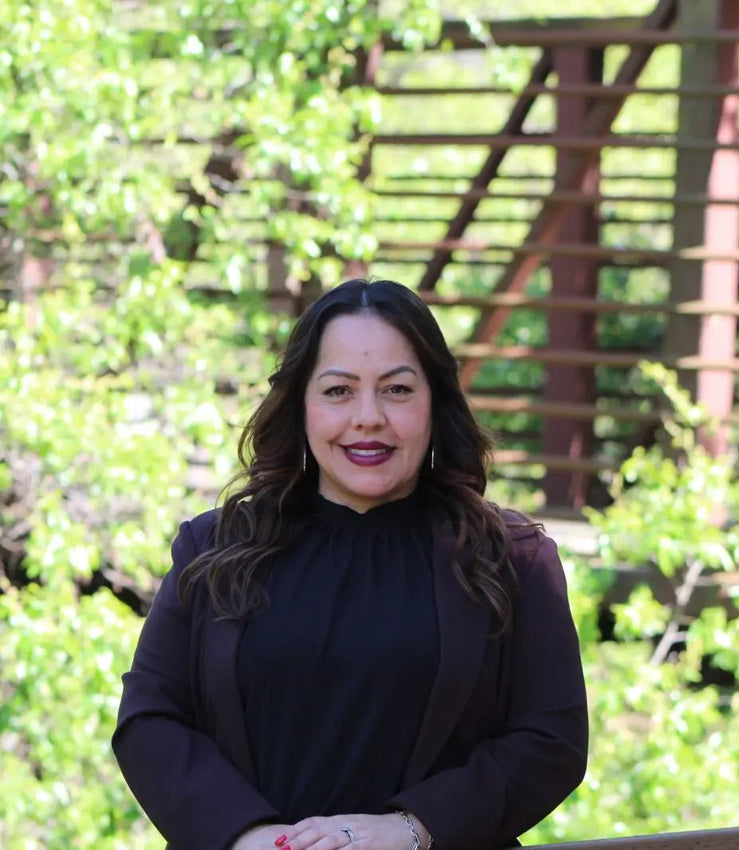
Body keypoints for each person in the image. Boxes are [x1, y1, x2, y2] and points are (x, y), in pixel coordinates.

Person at [112, 278, 588, 850]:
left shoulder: (511, 557)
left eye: (397, 390)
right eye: (339, 391)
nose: (368, 417)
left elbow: (551, 738)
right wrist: (248, 837)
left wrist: (412, 829)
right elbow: (150, 720)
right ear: (301, 405)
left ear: (435, 402)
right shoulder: (213, 549)